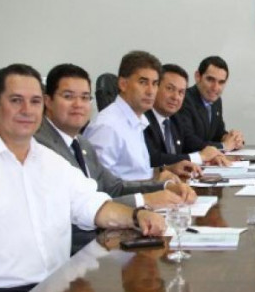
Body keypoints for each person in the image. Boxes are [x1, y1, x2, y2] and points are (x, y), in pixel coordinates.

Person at [0, 64, 165, 292]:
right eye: (16, 100)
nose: (27, 110)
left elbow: (93, 205)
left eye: (35, 101)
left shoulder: (52, 162)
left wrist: (137, 216)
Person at [36, 63, 196, 210]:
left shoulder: (82, 143)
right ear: (48, 101)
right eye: (68, 96)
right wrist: (144, 200)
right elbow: (78, 206)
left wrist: (165, 187)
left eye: (85, 97)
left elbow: (113, 187)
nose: (78, 104)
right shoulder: (42, 147)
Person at [85, 51, 197, 180]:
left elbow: (132, 172)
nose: (150, 91)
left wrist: (163, 170)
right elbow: (99, 185)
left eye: (155, 84)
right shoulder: (107, 126)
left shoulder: (137, 120)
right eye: (143, 82)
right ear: (123, 84)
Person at [144, 63, 229, 170]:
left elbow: (188, 146)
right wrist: (200, 157)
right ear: (155, 87)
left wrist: (212, 156)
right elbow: (153, 159)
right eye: (170, 89)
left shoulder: (175, 119)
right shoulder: (143, 119)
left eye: (181, 92)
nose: (176, 97)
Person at [177, 55, 244, 151]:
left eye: (221, 82)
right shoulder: (184, 100)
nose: (215, 88)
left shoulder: (216, 101)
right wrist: (223, 146)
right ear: (198, 77)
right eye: (210, 80)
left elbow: (218, 133)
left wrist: (232, 138)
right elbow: (188, 141)